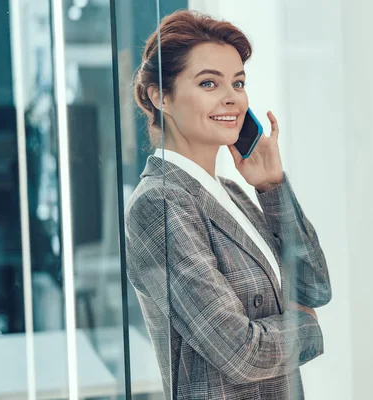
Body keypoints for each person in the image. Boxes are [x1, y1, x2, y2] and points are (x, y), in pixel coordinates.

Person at [125, 10, 331, 400]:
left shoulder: (233, 195)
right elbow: (240, 353)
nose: (231, 98)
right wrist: (308, 328)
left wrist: (273, 189)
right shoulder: (158, 204)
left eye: (238, 83)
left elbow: (315, 288)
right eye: (208, 83)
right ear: (160, 96)